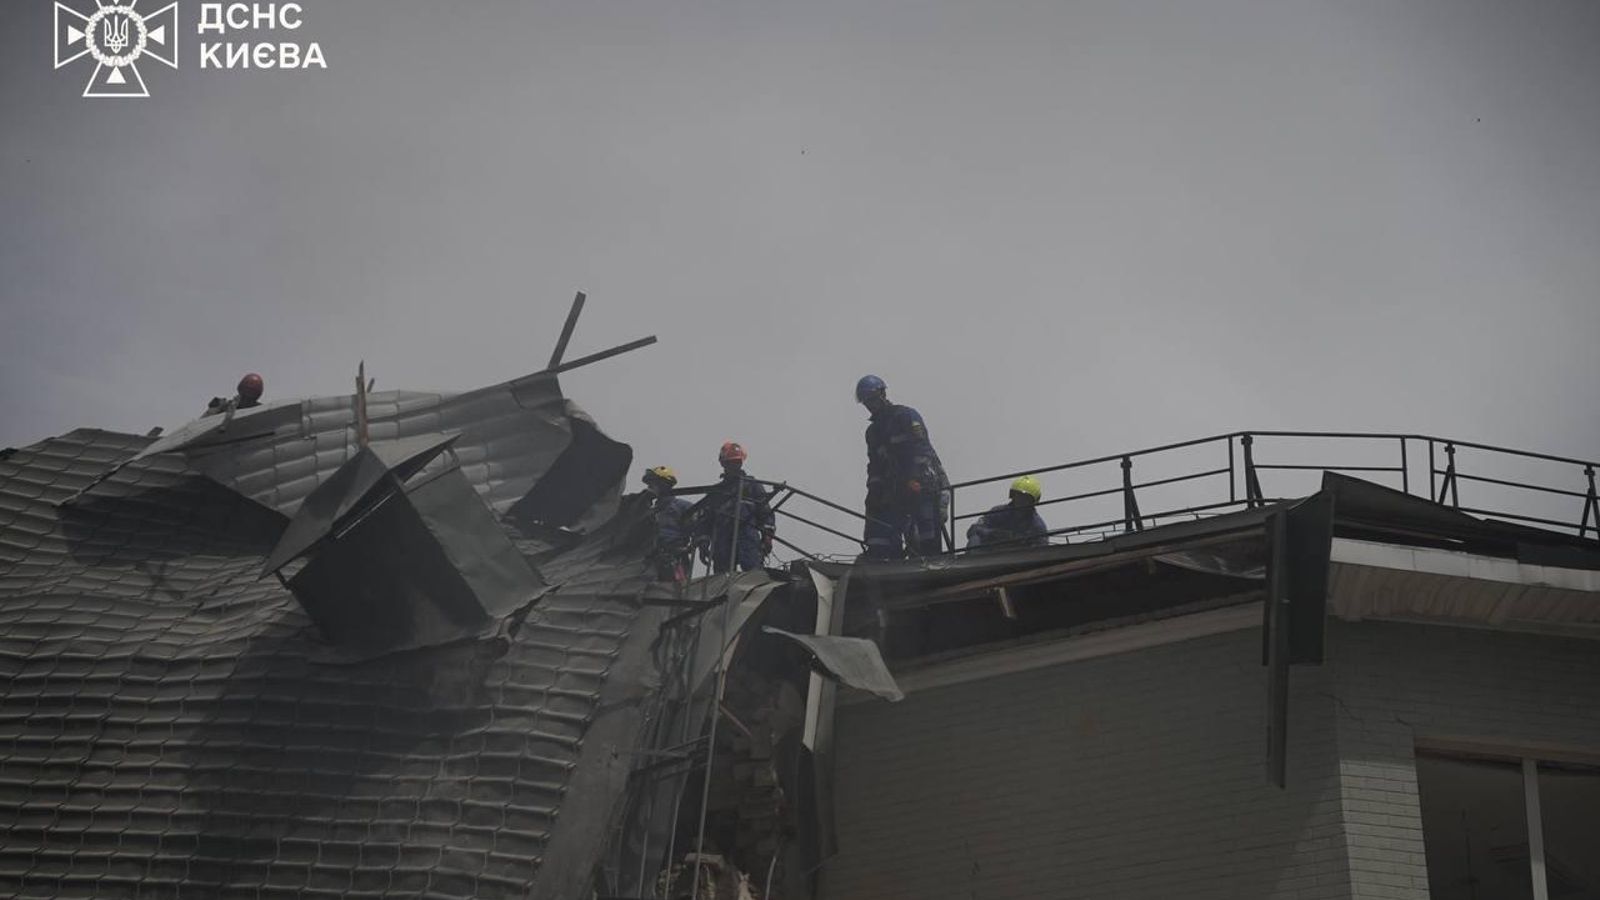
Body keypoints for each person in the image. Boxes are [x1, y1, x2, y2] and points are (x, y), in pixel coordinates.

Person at [856, 375, 949, 559]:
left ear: (883, 393)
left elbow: (920, 451)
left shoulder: (905, 416)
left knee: (925, 532)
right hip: (897, 488)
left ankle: (931, 563)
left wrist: (914, 479)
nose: (870, 405)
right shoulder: (873, 432)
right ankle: (884, 560)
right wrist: (873, 493)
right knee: (881, 521)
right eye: (866, 402)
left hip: (925, 482)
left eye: (872, 399)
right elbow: (875, 466)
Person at [694, 441, 776, 574]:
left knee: (752, 575)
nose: (734, 465)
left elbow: (765, 513)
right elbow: (705, 521)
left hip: (747, 536)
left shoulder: (752, 486)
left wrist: (768, 537)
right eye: (730, 462)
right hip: (722, 539)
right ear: (723, 464)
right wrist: (703, 543)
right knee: (721, 578)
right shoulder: (717, 492)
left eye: (737, 462)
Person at [966, 475, 1050, 551]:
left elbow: (1042, 550)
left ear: (1032, 501)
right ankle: (970, 563)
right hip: (991, 554)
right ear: (1013, 496)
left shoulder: (1037, 526)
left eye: (1025, 498)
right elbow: (973, 529)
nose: (1020, 500)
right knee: (975, 539)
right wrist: (993, 533)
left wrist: (1019, 540)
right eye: (1018, 495)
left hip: (1019, 559)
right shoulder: (998, 512)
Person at [642, 466, 695, 582]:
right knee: (651, 594)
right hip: (652, 562)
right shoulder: (649, 512)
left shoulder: (682, 507)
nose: (649, 487)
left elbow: (698, 530)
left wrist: (695, 545)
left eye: (652, 483)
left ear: (664, 484)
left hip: (675, 559)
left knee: (676, 592)